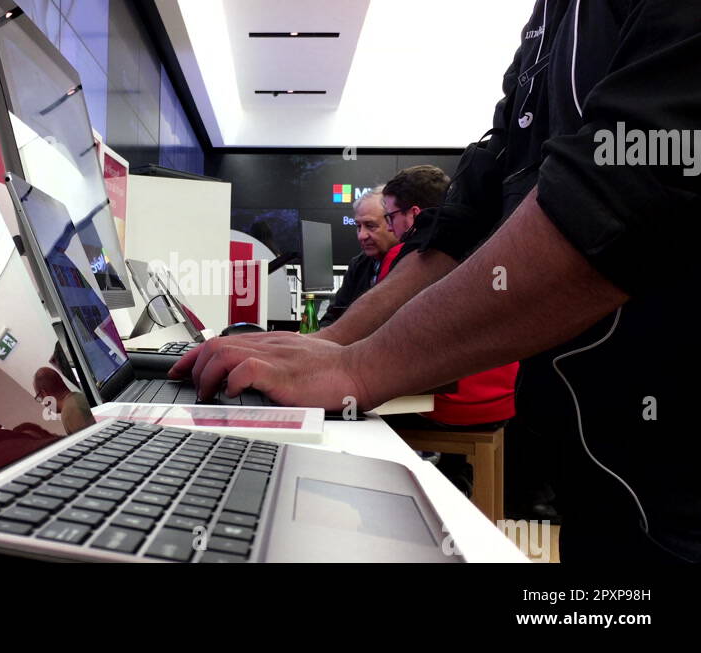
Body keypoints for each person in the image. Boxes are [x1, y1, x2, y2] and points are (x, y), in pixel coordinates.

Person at [171, 0, 701, 562]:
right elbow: (462, 221)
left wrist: (358, 366)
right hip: (597, 464)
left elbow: (629, 201)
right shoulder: (549, 23)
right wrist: (331, 346)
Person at [378, 166, 520, 496]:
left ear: (413, 214)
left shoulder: (410, 254)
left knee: (360, 412)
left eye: (390, 217)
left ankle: (397, 509)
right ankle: (455, 481)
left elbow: (381, 332)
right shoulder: (494, 244)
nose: (389, 227)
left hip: (452, 404)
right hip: (504, 401)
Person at [320, 189, 400, 327]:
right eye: (358, 226)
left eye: (370, 226)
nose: (361, 235)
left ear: (392, 223)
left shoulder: (411, 263)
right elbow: (333, 316)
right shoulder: (358, 264)